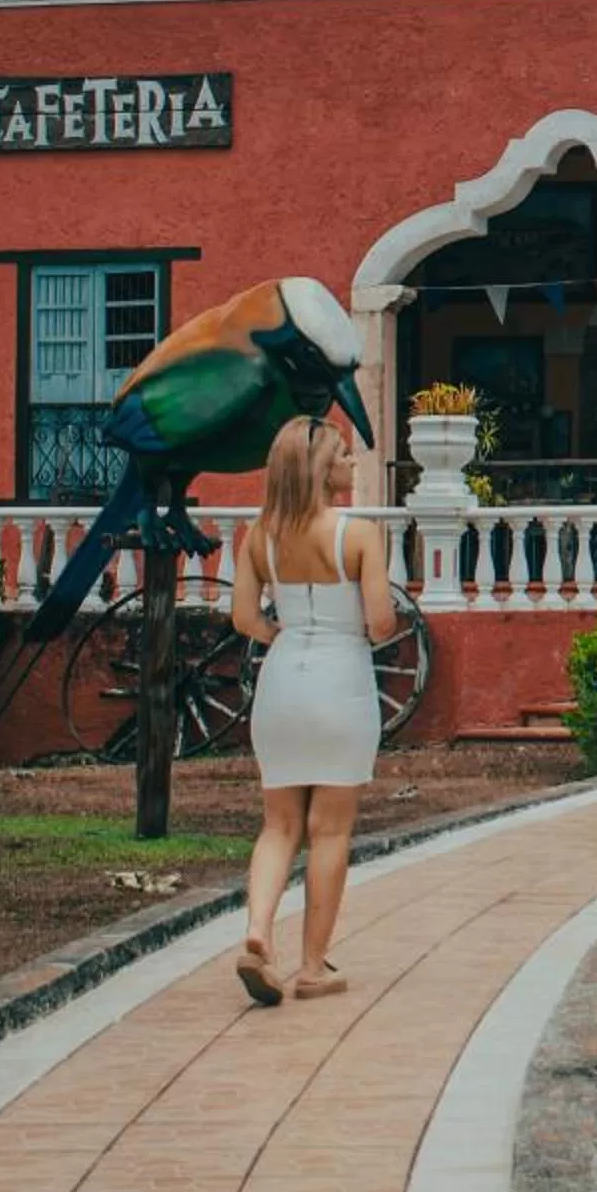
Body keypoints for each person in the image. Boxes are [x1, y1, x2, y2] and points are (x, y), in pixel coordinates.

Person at [229, 415, 396, 1005]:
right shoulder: (358, 534)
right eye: (345, 455)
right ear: (324, 471)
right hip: (340, 680)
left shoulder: (259, 536)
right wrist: (361, 629)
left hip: (282, 682)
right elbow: (379, 621)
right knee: (330, 831)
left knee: (278, 825)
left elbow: (244, 618)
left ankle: (256, 931)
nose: (353, 462)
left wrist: (283, 635)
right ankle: (310, 967)